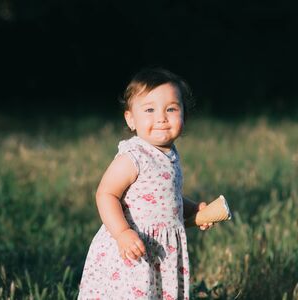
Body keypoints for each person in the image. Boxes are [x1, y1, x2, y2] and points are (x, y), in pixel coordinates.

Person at [78, 68, 212, 299]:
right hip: (133, 248)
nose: (161, 117)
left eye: (171, 109)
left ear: (184, 116)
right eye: (149, 110)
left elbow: (167, 196)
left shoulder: (170, 154)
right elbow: (106, 194)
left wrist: (194, 209)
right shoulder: (133, 157)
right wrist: (122, 233)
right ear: (131, 119)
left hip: (161, 250)